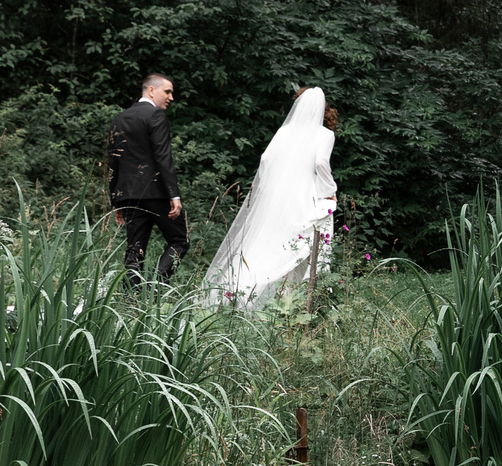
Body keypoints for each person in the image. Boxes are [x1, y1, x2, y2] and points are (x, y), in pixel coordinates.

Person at [199, 86, 339, 309]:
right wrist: (329, 191)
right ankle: (300, 303)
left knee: (268, 245)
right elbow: (321, 163)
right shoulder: (325, 134)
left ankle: (235, 293)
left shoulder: (285, 131)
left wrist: (268, 189)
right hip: (303, 198)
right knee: (299, 248)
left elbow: (265, 159)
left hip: (279, 198)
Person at [105, 73, 186, 287]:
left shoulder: (119, 118)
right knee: (179, 241)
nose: (171, 97)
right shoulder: (155, 116)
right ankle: (154, 287)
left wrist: (117, 200)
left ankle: (130, 301)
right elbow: (163, 156)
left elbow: (112, 162)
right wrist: (173, 194)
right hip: (157, 193)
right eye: (167, 92)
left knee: (135, 247)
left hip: (129, 195)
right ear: (151, 90)